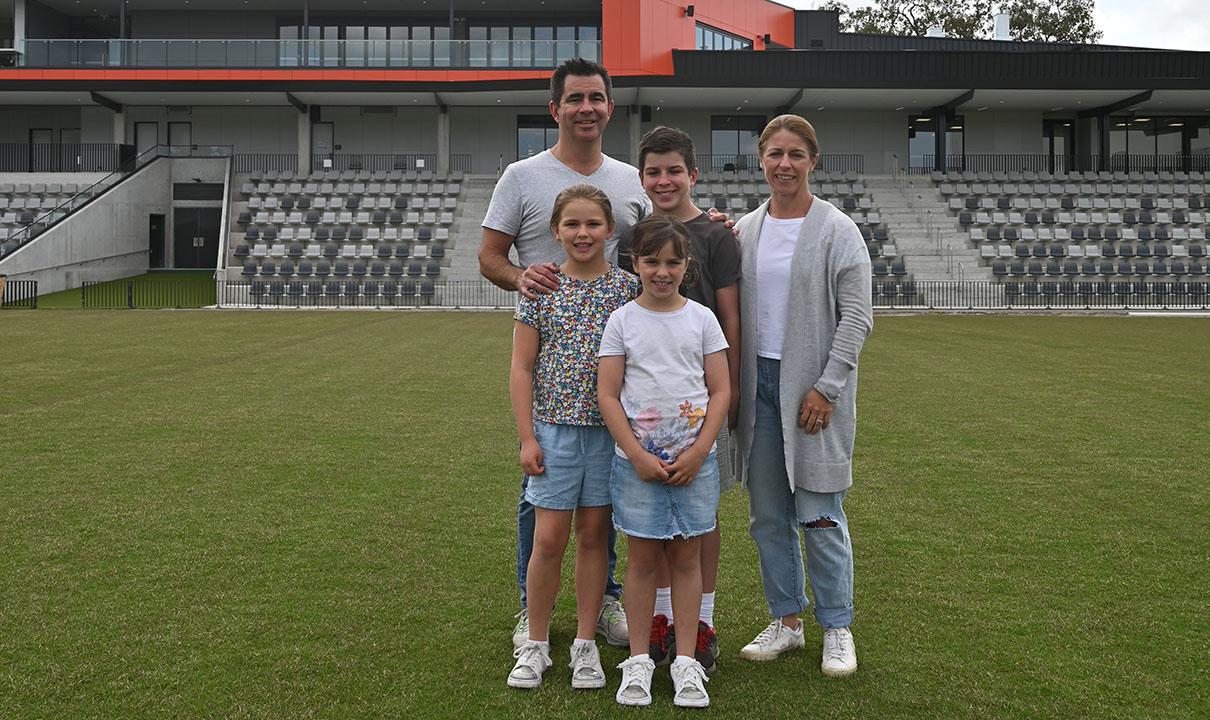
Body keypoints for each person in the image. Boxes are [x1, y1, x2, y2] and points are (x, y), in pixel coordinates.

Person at [480, 57, 650, 649]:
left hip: (616, 374)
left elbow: (657, 249)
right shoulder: (522, 177)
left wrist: (714, 225)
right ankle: (533, 613)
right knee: (543, 505)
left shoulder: (631, 182)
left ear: (610, 107)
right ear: (555, 109)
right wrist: (522, 278)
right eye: (574, 98)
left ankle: (602, 605)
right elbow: (490, 257)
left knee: (607, 505)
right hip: (551, 354)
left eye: (596, 98)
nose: (586, 108)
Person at [732, 114, 873, 678]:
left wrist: (827, 386)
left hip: (814, 392)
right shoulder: (746, 229)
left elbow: (858, 317)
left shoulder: (837, 230)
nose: (784, 164)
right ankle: (787, 621)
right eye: (774, 154)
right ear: (761, 160)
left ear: (814, 161)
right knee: (768, 515)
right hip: (757, 388)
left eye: (795, 154)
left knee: (819, 511)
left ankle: (836, 625)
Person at [506, 185, 640, 690]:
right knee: (547, 539)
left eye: (593, 225)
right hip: (554, 434)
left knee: (594, 539)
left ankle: (586, 645)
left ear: (610, 230)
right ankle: (536, 642)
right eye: (572, 225)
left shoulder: (627, 290)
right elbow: (522, 368)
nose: (583, 234)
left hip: (610, 436)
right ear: (555, 230)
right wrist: (526, 437)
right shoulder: (541, 287)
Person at [619, 126, 741, 675]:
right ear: (641, 178)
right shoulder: (636, 236)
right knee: (650, 524)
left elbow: (729, 313)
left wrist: (729, 393)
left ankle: (703, 619)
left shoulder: (717, 235)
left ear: (693, 174)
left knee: (699, 518)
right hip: (647, 411)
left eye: (674, 170)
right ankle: (662, 621)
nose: (663, 180)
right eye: (653, 171)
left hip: (701, 405)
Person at [598, 215, 730, 708]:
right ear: (634, 262)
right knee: (642, 559)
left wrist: (698, 451)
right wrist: (636, 455)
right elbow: (608, 395)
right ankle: (638, 661)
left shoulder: (701, 319)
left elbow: (720, 391)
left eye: (673, 262)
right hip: (638, 466)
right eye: (651, 261)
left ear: (686, 265)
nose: (662, 271)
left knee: (687, 557)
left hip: (696, 463)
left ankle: (686, 661)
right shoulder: (622, 321)